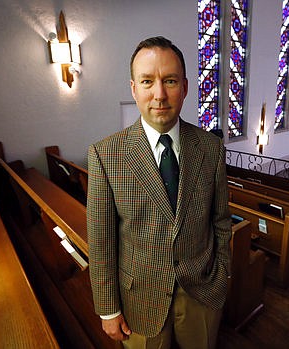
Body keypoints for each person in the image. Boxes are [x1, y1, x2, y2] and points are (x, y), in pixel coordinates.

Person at [87, 36, 232, 349]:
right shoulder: (105, 154)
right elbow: (101, 240)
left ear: (185, 87)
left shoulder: (211, 147)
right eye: (147, 81)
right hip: (138, 299)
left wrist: (223, 276)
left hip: (202, 292)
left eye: (170, 80)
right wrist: (108, 308)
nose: (160, 94)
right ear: (133, 88)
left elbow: (221, 220)